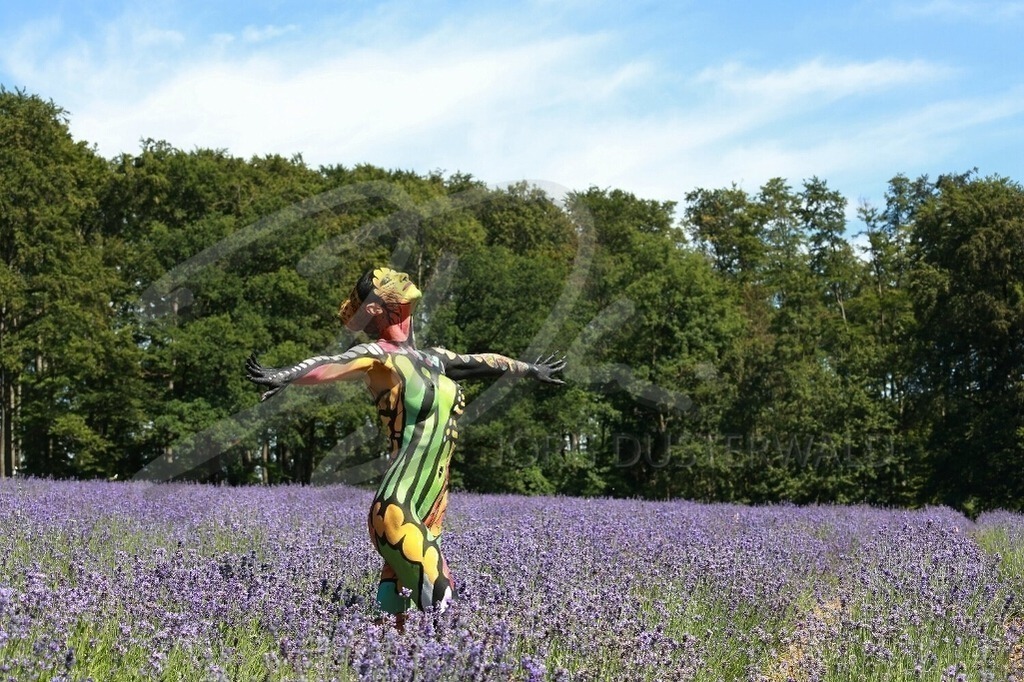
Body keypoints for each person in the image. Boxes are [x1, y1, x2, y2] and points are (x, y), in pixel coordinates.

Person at [245, 266, 565, 622]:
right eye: (388, 279)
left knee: (395, 625)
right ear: (375, 307)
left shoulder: (434, 358)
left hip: (432, 508)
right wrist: (286, 375)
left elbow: (484, 362)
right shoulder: (378, 356)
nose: (401, 275)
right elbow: (331, 364)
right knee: (444, 612)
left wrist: (529, 369)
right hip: (397, 509)